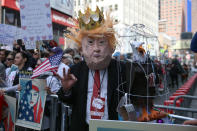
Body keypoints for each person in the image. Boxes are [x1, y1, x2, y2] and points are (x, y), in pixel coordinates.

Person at [57, 7, 129, 131]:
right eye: (90, 42)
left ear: (112, 47)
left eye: (101, 42)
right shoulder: (75, 70)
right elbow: (66, 100)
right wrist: (66, 90)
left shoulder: (123, 70)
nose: (96, 48)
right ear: (81, 49)